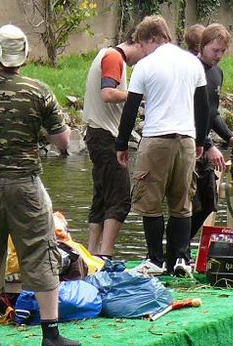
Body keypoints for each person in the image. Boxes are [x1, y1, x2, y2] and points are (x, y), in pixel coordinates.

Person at [0, 24, 79, 346]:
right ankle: (50, 334)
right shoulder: (39, 91)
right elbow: (63, 142)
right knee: (40, 250)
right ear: (22, 56)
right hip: (26, 185)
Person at [115, 15, 209, 277]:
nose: (141, 51)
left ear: (152, 39)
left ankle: (155, 259)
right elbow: (203, 108)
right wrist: (200, 141)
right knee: (182, 202)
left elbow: (131, 108)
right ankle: (180, 258)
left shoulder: (146, 66)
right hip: (186, 140)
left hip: (156, 139)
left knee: (150, 202)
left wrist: (121, 143)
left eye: (142, 45)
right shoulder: (193, 63)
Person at [82, 33, 147, 264]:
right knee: (120, 197)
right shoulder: (113, 57)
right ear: (138, 42)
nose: (144, 58)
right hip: (104, 136)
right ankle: (105, 255)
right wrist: (139, 95)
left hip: (98, 135)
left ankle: (91, 254)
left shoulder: (107, 55)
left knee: (102, 195)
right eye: (146, 51)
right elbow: (108, 93)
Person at [191, 23, 233, 239]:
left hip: (203, 144)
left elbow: (212, 112)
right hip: (189, 143)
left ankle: (181, 249)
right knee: (187, 204)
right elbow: (191, 112)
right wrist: (207, 145)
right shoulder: (193, 69)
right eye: (214, 50)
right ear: (203, 46)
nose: (218, 56)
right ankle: (173, 253)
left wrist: (231, 136)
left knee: (208, 203)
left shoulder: (217, 73)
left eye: (223, 51)